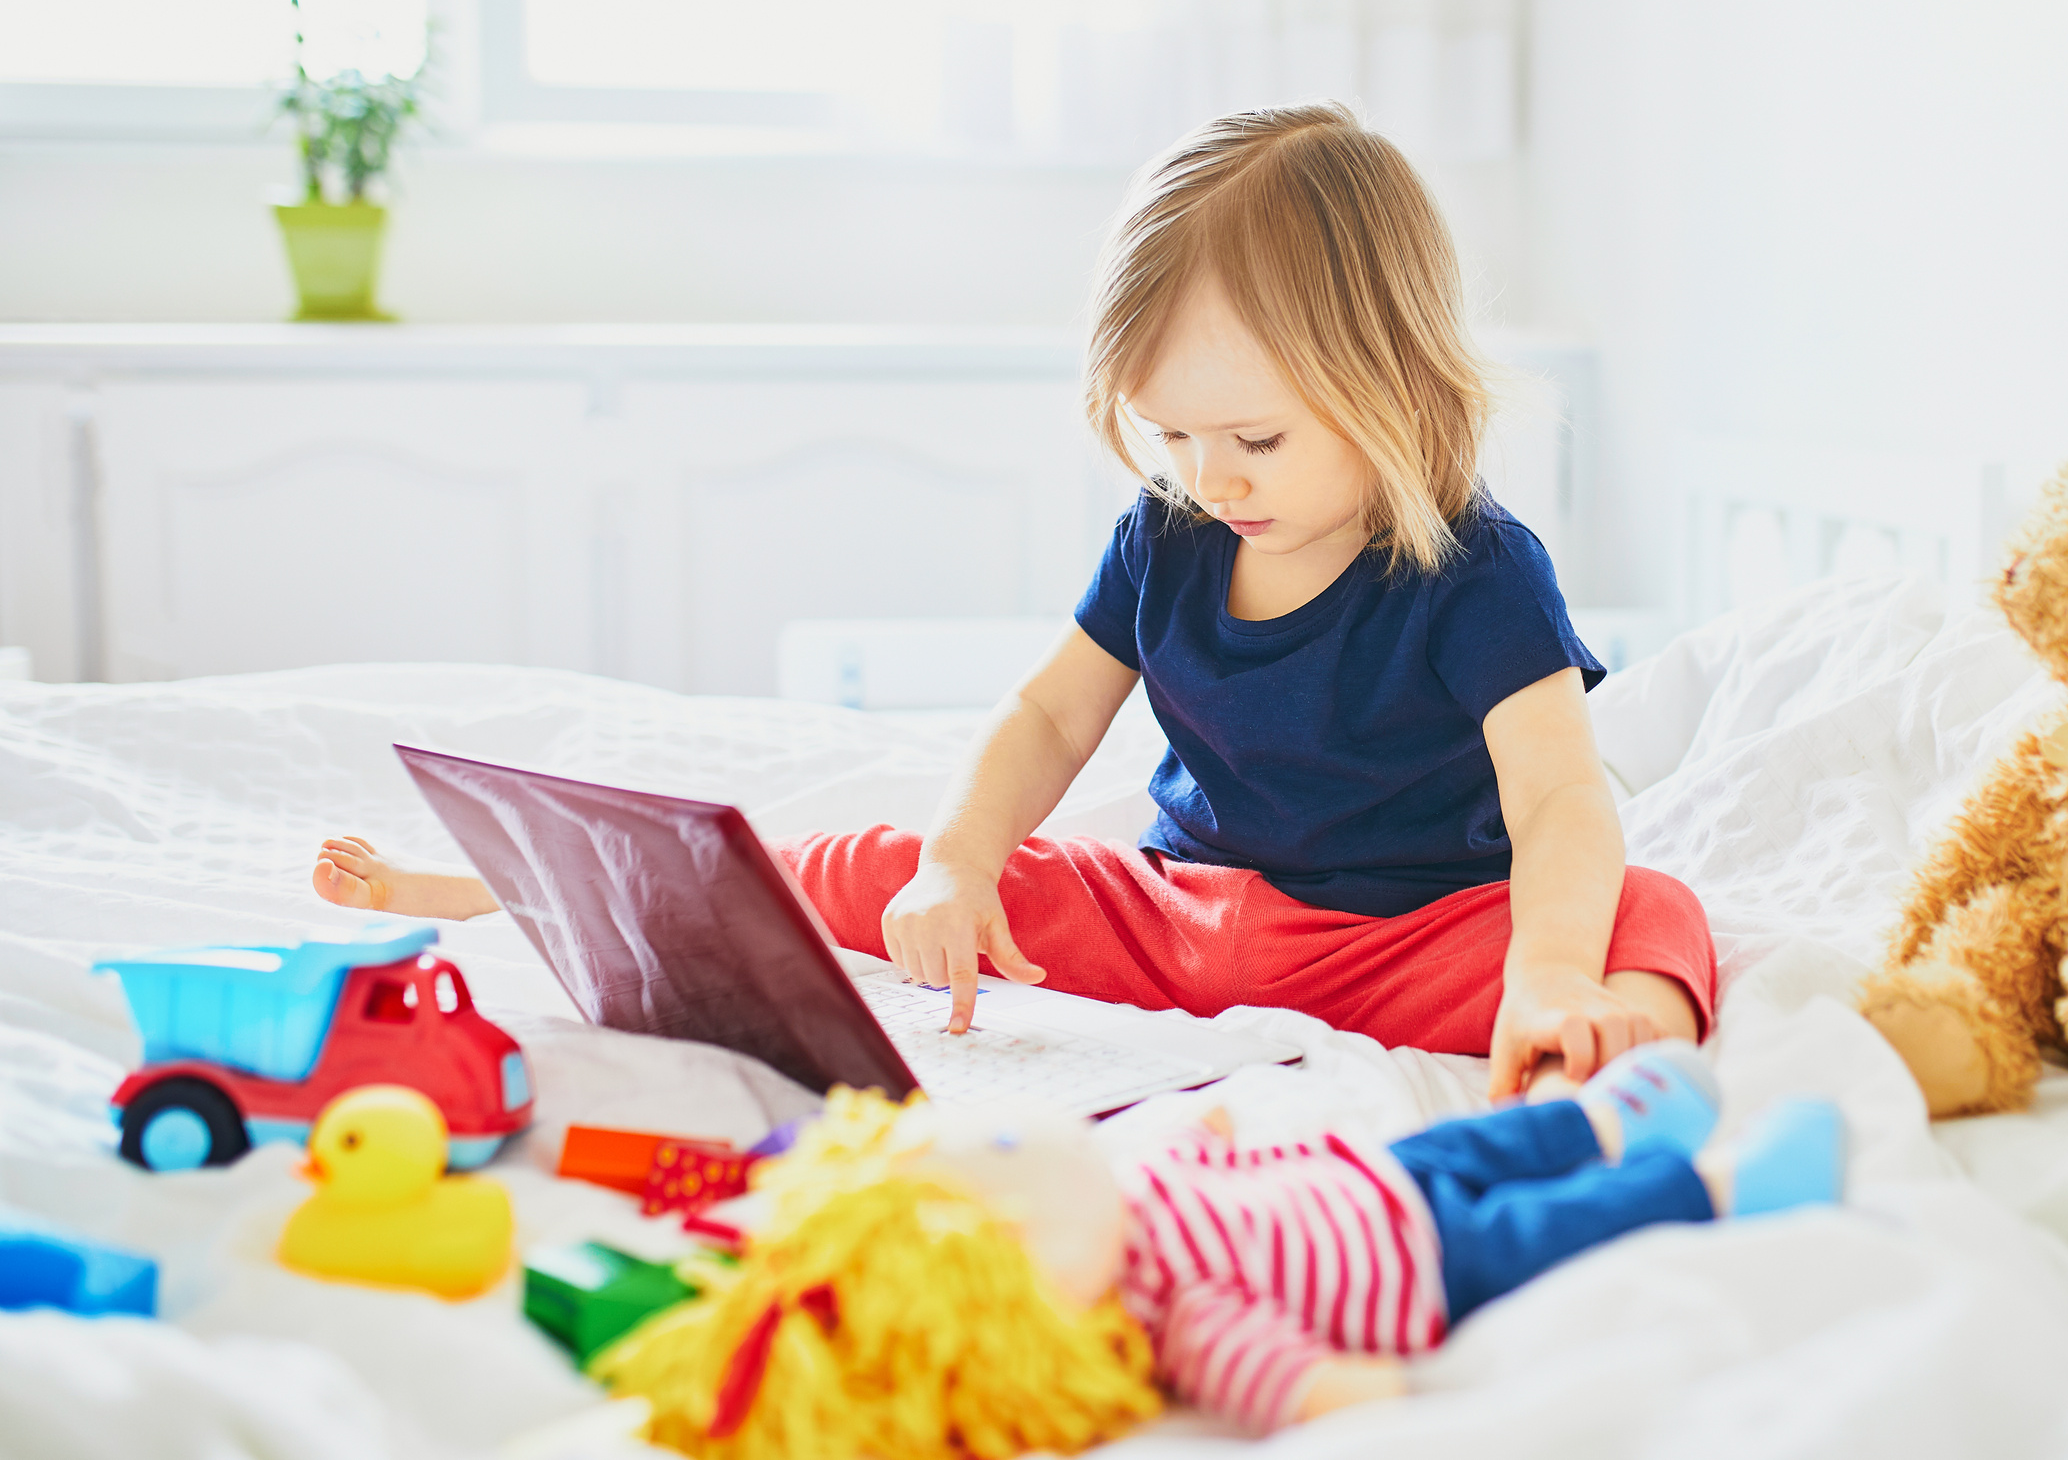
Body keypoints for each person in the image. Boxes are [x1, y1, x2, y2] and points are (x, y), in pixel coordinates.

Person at [313, 101, 1716, 1097]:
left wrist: (1542, 970)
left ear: (1396, 379)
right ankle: (508, 891)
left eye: (1255, 440)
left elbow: (1555, 802)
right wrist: (962, 860)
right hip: (1179, 916)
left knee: (1648, 915)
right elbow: (1048, 715)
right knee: (869, 869)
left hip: (1402, 940)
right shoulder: (1165, 538)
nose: (1209, 477)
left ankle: (1592, 1057)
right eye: (1170, 436)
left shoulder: (1474, 565)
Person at [595, 1044, 1849, 1446]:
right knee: (1546, 1220)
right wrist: (1344, 1389)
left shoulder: (1126, 1193)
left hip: (1371, 1172)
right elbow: (1259, 1363)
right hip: (1422, 1264)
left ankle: (1600, 1113)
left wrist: (1208, 1121)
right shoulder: (1158, 1305)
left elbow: (1186, 1162)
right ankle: (1715, 1180)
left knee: (1485, 1139)